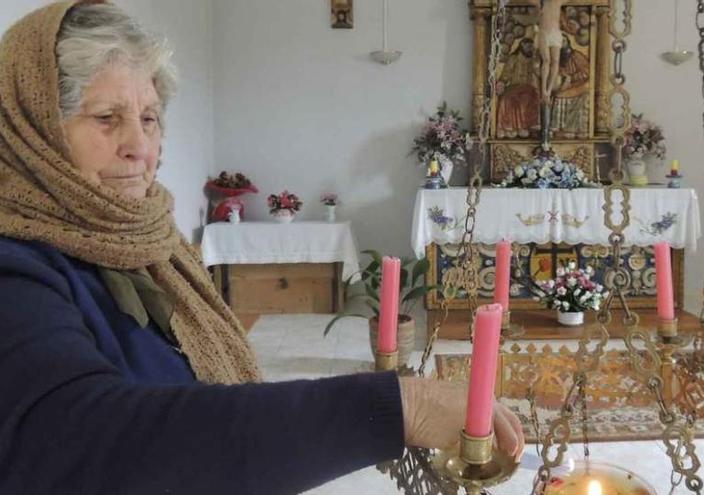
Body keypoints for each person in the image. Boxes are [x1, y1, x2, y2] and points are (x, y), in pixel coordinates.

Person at [0, 2, 524, 494]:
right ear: (33, 129)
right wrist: (393, 408)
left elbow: (198, 400)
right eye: (106, 117)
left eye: (150, 118)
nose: (139, 146)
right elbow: (85, 442)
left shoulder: (150, 241)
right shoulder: (15, 272)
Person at [497, 37, 541, 138]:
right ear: (522, 46)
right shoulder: (514, 58)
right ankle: (509, 127)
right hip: (514, 86)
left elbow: (541, 75)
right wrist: (501, 82)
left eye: (531, 47)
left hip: (531, 88)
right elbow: (506, 74)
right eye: (528, 47)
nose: (530, 49)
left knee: (529, 99)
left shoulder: (536, 59)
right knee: (506, 99)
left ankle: (528, 127)